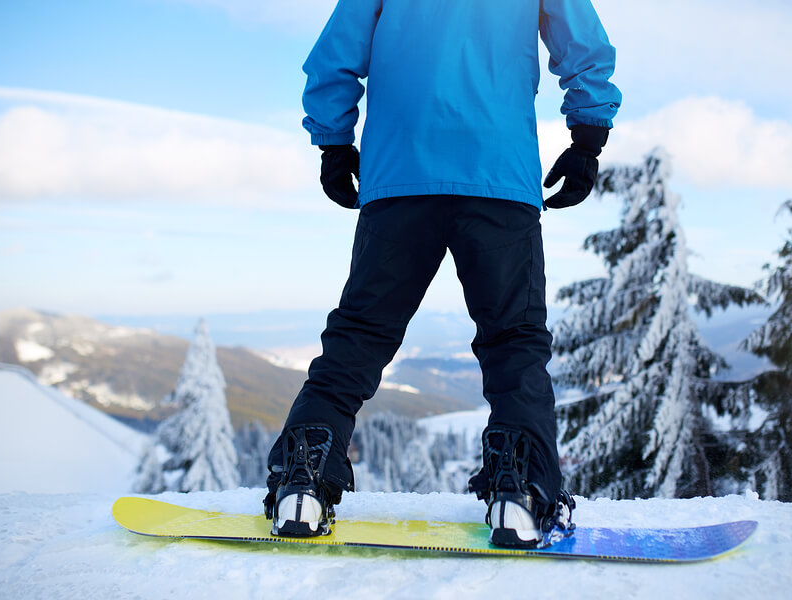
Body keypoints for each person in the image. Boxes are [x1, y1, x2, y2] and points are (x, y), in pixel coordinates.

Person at [264, 0, 621, 548]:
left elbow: (335, 57)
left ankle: (302, 487)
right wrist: (587, 139)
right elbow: (585, 47)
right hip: (499, 178)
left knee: (358, 336)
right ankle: (519, 498)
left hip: (400, 178)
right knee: (515, 343)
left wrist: (334, 143)